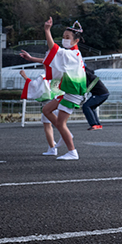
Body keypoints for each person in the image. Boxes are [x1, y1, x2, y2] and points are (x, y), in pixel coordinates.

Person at [39, 18, 87, 161]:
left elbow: (54, 50)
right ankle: (66, 134)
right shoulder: (71, 53)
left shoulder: (73, 54)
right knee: (46, 110)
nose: (64, 39)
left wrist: (47, 30)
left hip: (73, 93)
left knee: (60, 123)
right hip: (69, 92)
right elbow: (53, 55)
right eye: (64, 37)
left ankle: (72, 151)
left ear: (76, 41)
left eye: (68, 37)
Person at [19, 50, 63, 155]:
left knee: (47, 125)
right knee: (61, 124)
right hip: (60, 102)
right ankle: (63, 142)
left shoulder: (43, 77)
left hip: (47, 104)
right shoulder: (60, 75)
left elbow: (33, 86)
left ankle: (52, 148)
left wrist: (25, 76)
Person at [82, 65, 109, 130]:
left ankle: (94, 124)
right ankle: (97, 124)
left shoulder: (86, 74)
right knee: (91, 107)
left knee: (86, 106)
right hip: (103, 94)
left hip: (100, 94)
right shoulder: (89, 74)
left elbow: (86, 87)